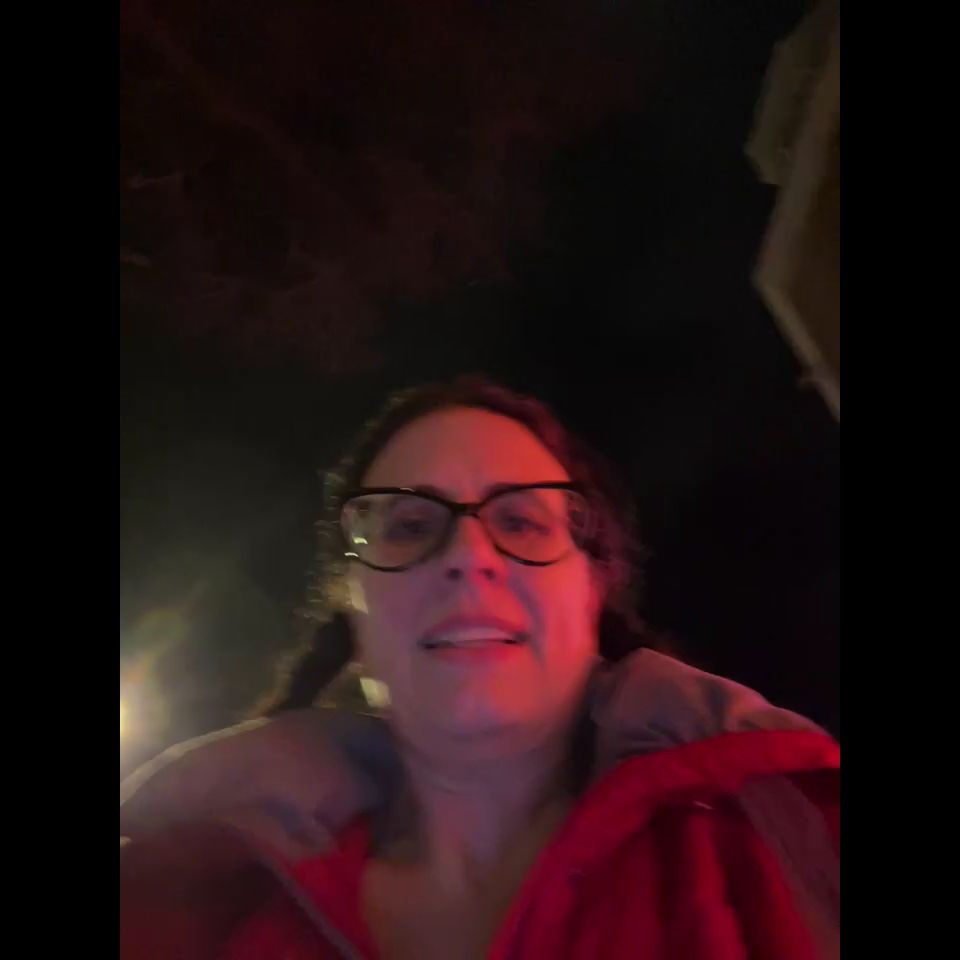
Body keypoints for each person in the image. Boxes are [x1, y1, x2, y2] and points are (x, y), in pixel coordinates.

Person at [120, 377, 839, 960]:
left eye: (520, 521)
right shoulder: (181, 904)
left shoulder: (801, 836)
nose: (468, 557)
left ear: (593, 591)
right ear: (354, 611)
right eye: (408, 527)